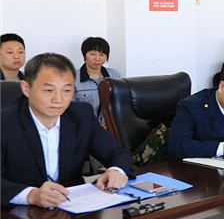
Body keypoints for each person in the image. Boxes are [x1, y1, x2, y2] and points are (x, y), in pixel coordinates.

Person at [1, 53, 133, 208]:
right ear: (26, 88)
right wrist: (30, 195)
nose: (59, 100)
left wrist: (116, 170)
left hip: (70, 207)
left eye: (67, 90)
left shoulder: (81, 115)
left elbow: (117, 152)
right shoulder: (5, 122)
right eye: (49, 90)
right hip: (17, 212)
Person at [73, 37, 121, 125]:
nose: (97, 59)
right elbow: (72, 110)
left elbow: (121, 105)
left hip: (110, 127)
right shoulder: (73, 77)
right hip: (84, 126)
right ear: (84, 55)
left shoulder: (115, 75)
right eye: (92, 54)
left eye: (102, 55)